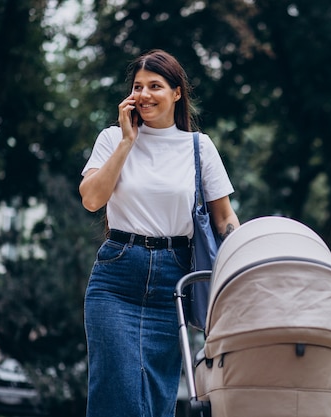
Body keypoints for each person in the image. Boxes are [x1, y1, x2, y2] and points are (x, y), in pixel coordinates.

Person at [79, 49, 240, 417]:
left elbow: (225, 219)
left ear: (177, 92)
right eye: (138, 86)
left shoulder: (199, 148)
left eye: (156, 85)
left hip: (174, 281)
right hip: (116, 276)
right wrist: (126, 143)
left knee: (157, 396)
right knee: (116, 391)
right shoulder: (111, 138)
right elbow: (92, 199)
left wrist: (244, 265)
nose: (145, 94)